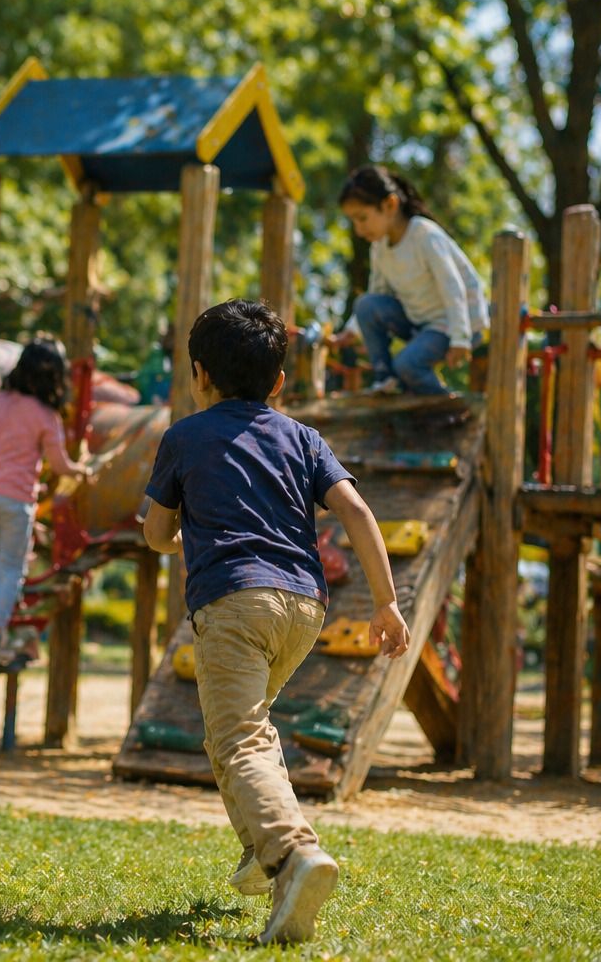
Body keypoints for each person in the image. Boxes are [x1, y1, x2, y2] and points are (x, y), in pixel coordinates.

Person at [142, 300, 409, 945]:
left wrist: (181, 538)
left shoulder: (183, 437)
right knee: (238, 730)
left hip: (234, 603)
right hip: (304, 608)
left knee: (238, 739)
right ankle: (259, 849)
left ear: (199, 373)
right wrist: (385, 601)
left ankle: (292, 855)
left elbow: (155, 532)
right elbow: (356, 510)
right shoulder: (303, 437)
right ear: (279, 381)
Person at [0, 337, 88, 664]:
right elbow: (60, 465)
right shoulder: (46, 416)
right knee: (13, 570)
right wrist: (81, 471)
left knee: (2, 554)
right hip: (14, 502)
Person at [333, 165, 489, 395]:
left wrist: (460, 338)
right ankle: (386, 380)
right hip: (422, 324)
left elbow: (452, 286)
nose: (358, 230)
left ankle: (450, 409)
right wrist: (352, 330)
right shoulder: (380, 248)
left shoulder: (424, 234)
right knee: (365, 304)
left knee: (407, 365)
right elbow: (378, 295)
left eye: (362, 218)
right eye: (353, 222)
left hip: (456, 323)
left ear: (390, 205)